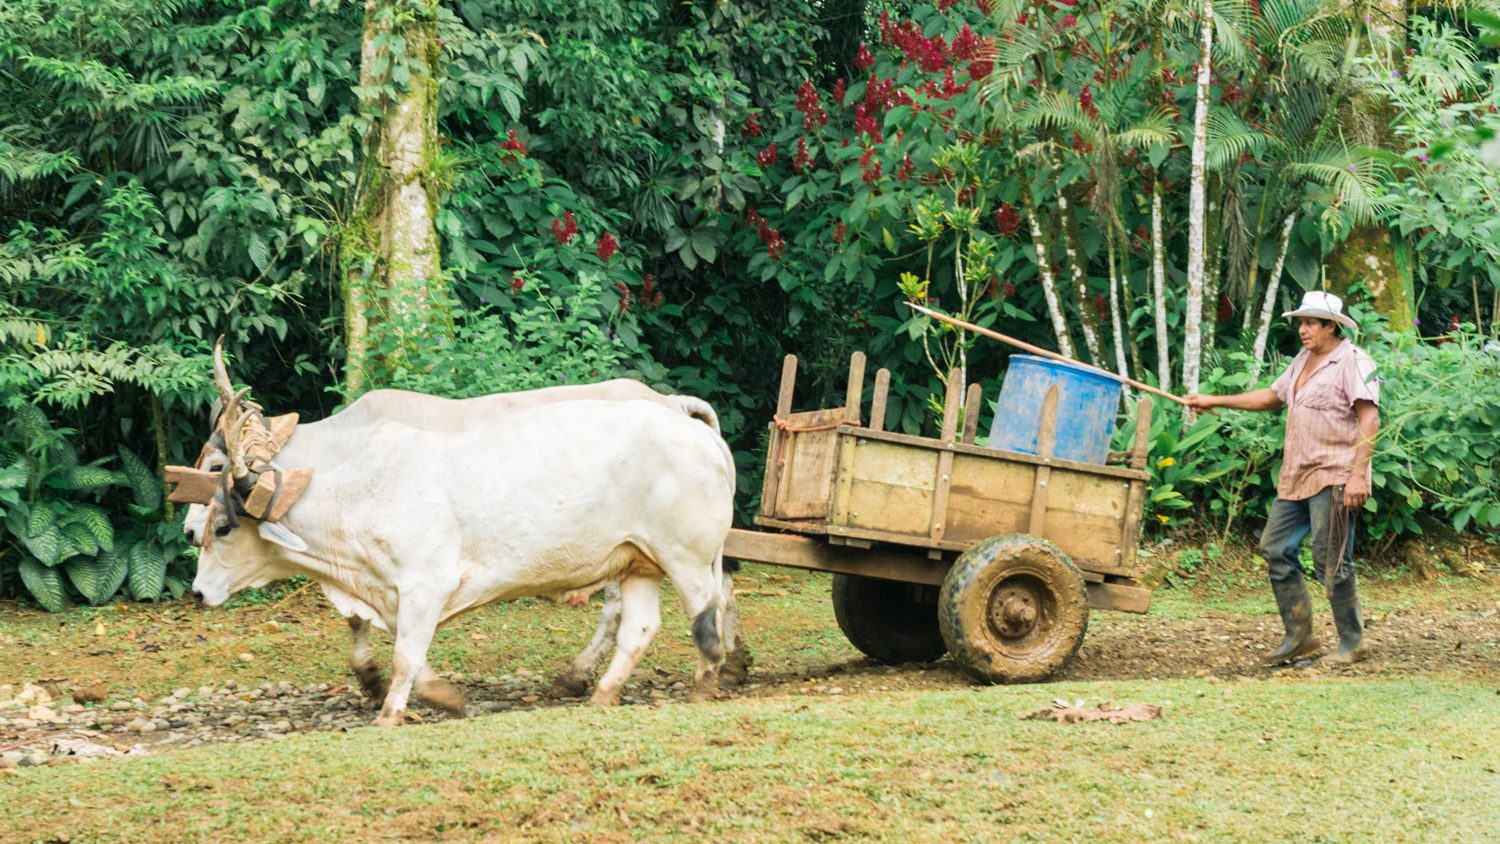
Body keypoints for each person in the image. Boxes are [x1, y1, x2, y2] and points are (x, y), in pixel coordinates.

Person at [1187, 291, 1379, 665]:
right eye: (1301, 323)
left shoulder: (1352, 361)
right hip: (1297, 474)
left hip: (1335, 474)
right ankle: (1300, 636)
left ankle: (1353, 642)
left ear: (1331, 326)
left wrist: (1358, 476)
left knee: (1331, 558)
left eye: (1310, 323)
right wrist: (1215, 400)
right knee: (1275, 547)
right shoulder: (1302, 360)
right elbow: (1273, 397)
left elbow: (1369, 418)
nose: (1303, 330)